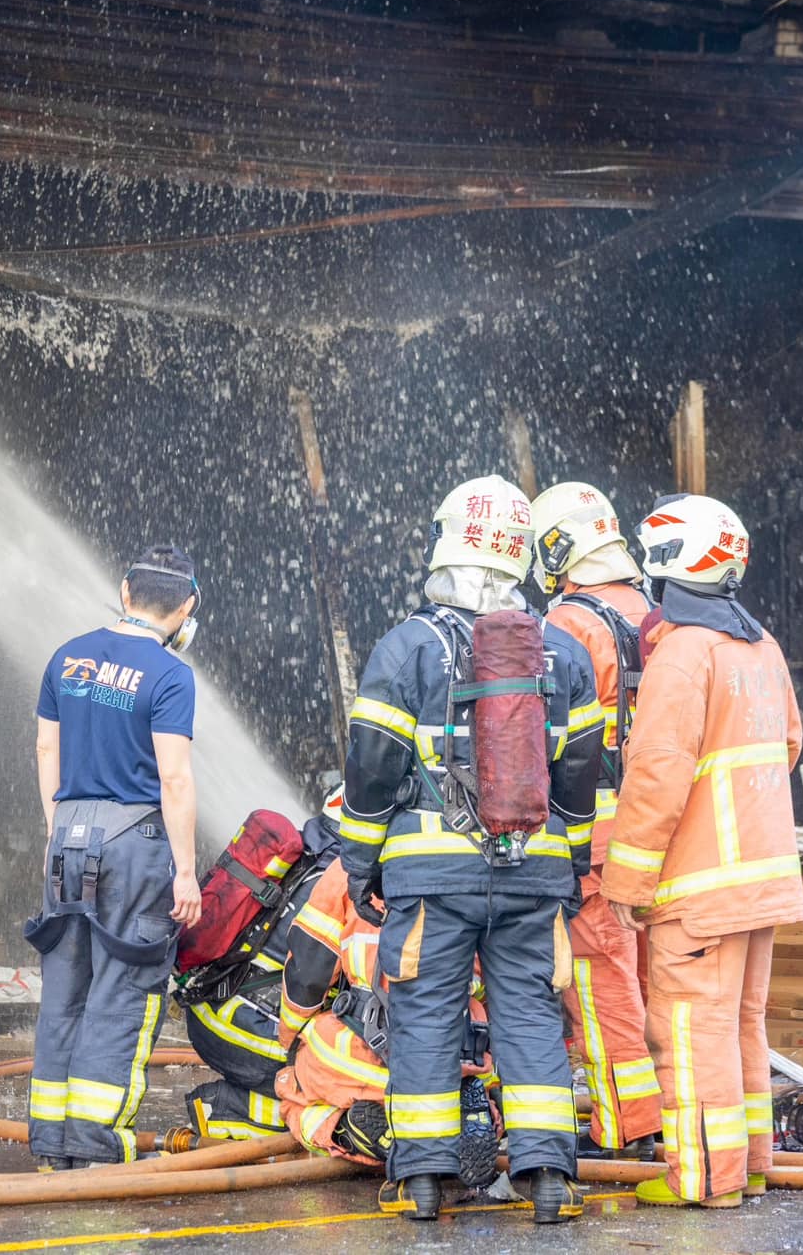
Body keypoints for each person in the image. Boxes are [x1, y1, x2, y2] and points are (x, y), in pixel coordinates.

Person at [339, 474, 604, 1223]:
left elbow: (371, 767)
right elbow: (584, 775)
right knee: (529, 1016)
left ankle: (422, 1181)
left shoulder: (407, 648)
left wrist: (361, 863)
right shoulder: (565, 655)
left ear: (445, 543)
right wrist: (572, 863)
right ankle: (549, 1175)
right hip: (536, 875)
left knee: (425, 1016)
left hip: (431, 878)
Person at [599, 495, 803, 1209]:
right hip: (762, 880)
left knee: (688, 1032)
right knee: (741, 1023)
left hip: (701, 887)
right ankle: (748, 1164)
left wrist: (626, 882)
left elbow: (655, 778)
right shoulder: (761, 646)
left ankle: (702, 1180)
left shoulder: (684, 656)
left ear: (666, 564)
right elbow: (789, 746)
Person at [24, 547, 205, 1169]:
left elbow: (46, 748)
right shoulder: (170, 675)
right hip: (137, 846)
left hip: (66, 839)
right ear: (185, 608)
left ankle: (50, 1143)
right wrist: (185, 869)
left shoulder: (66, 657)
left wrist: (60, 827)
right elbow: (174, 780)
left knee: (65, 989)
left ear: (125, 592)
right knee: (123, 990)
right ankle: (95, 1143)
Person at [525, 481, 662, 1159]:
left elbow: (545, 743)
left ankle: (630, 1125)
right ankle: (667, 1108)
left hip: (593, 838)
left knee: (599, 977)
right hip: (658, 834)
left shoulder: (567, 627)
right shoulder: (659, 616)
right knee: (647, 977)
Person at [274, 853, 499, 1192]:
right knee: (485, 1088)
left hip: (370, 1055)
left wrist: (291, 1039)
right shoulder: (478, 861)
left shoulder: (348, 870)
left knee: (292, 1091)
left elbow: (307, 975)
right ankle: (475, 1119)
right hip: (460, 1051)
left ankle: (359, 1131)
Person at [176, 797, 343, 1142]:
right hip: (253, 1035)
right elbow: (311, 983)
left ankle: (243, 1105)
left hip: (214, 1012)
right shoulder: (339, 883)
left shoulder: (305, 854)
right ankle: (231, 1109)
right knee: (353, 1087)